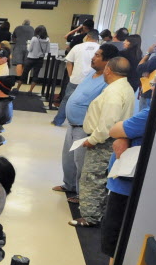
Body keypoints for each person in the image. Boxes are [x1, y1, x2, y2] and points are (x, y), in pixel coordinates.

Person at [72, 104, 150, 265]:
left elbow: (115, 129)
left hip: (127, 184)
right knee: (117, 238)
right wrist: (125, 135)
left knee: (116, 238)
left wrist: (123, 134)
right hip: (129, 182)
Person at [73, 57, 135, 228]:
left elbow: (108, 123)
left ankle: (91, 217)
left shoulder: (114, 92)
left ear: (108, 69)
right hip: (111, 140)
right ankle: (96, 214)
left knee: (92, 178)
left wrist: (93, 140)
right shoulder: (125, 87)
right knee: (99, 178)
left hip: (103, 142)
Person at [52, 44, 115, 199]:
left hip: (84, 128)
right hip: (72, 125)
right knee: (68, 159)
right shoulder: (91, 74)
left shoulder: (106, 81)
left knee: (81, 163)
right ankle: (69, 185)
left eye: (98, 55)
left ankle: (81, 195)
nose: (93, 58)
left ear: (108, 61)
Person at [53, 30, 101, 126]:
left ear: (87, 37)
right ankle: (84, 123)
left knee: (67, 100)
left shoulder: (78, 47)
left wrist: (71, 75)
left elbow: (69, 62)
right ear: (97, 39)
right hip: (94, 81)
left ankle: (58, 121)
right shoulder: (101, 49)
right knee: (90, 102)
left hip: (76, 79)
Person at [19, 25, 50, 93]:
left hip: (31, 58)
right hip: (40, 59)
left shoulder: (34, 38)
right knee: (36, 75)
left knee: (24, 73)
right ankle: (30, 90)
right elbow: (47, 50)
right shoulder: (47, 39)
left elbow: (29, 49)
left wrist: (28, 45)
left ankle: (17, 88)